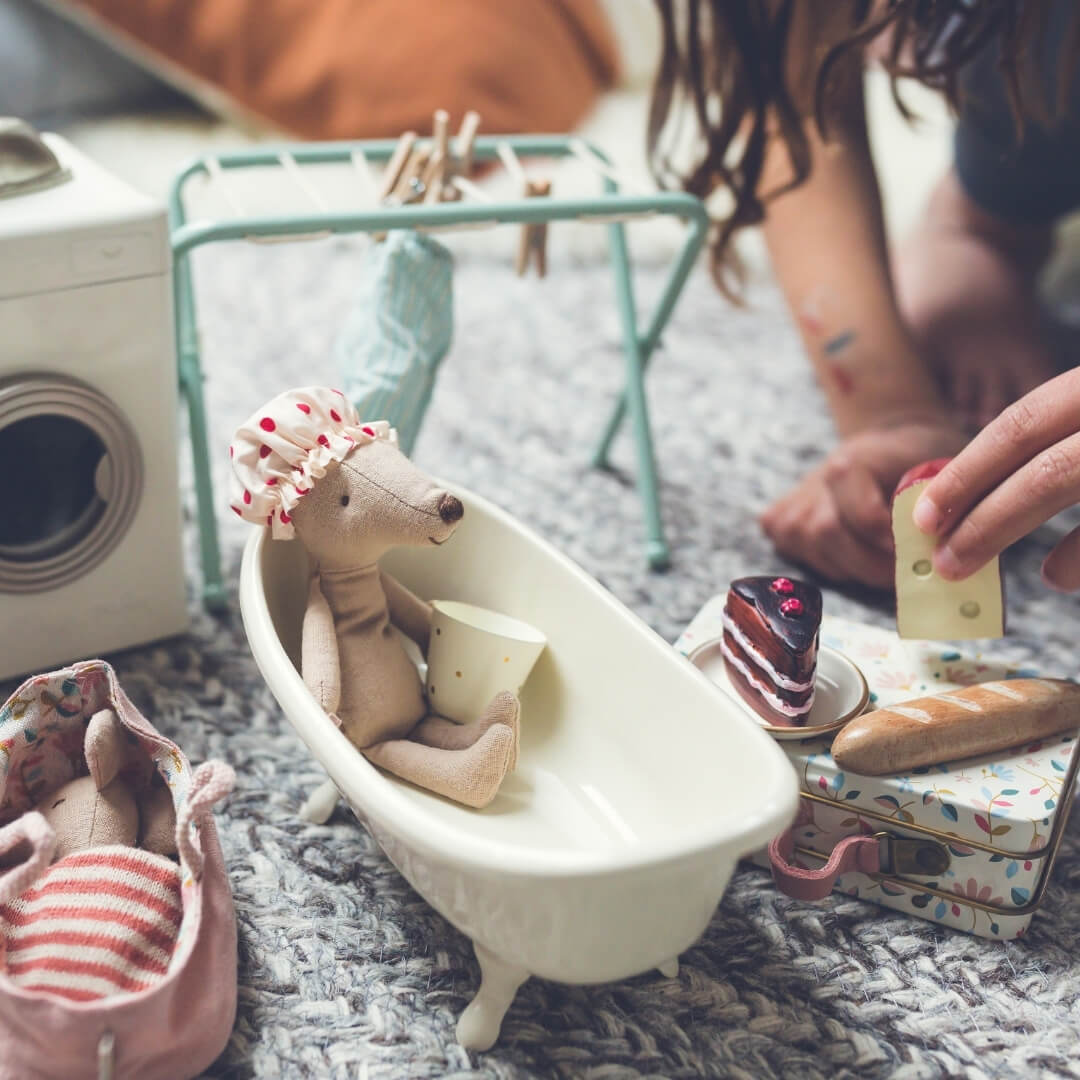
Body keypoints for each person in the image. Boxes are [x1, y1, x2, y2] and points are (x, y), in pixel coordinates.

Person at [648, 1, 1080, 588]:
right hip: (1041, 112)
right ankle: (980, 229)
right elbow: (795, 91)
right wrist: (890, 410)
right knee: (983, 233)